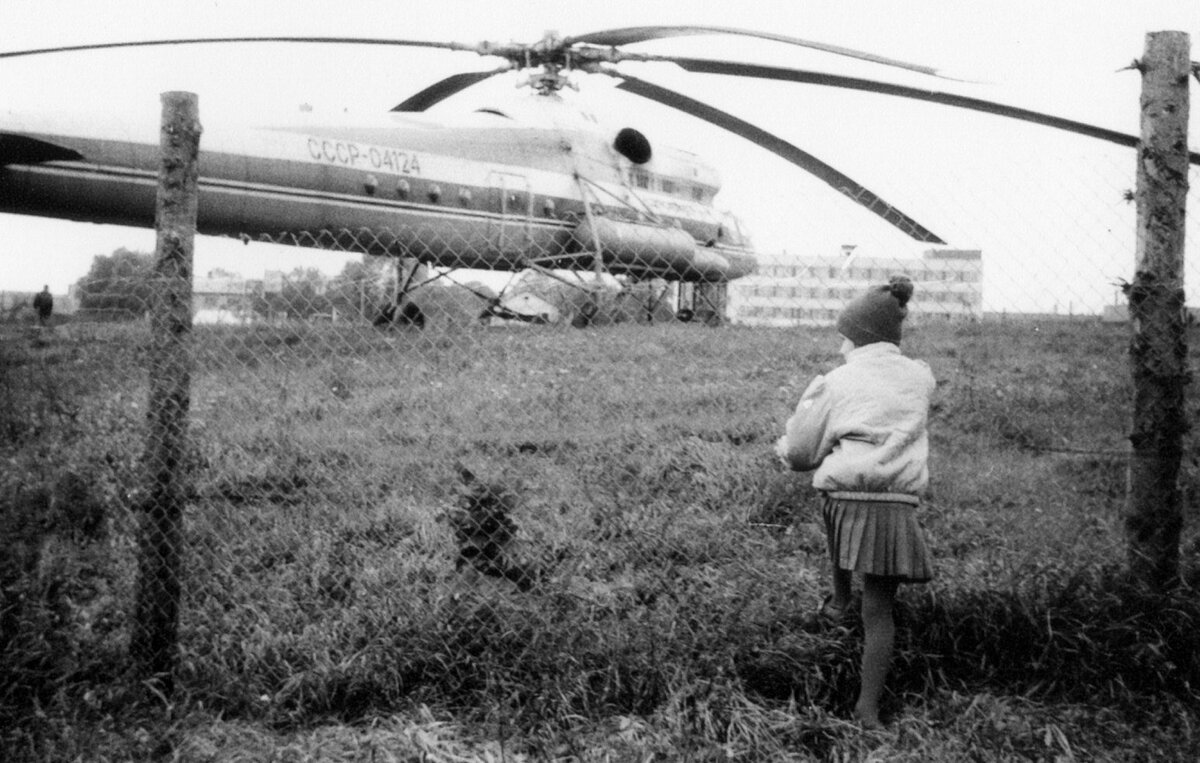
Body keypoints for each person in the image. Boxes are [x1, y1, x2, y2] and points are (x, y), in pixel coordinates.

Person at [775, 275, 936, 729]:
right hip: (896, 505)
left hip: (844, 501)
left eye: (844, 337)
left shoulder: (838, 381)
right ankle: (868, 708)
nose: (841, 345)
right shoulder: (920, 378)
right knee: (880, 612)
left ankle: (840, 595)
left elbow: (802, 452)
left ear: (858, 337)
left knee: (834, 495)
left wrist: (788, 448)